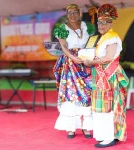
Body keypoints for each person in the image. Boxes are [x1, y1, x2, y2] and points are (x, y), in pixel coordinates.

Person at [83, 3, 129, 148]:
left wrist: (91, 61)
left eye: (104, 22)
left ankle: (109, 137)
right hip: (100, 75)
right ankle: (105, 135)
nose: (101, 25)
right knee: (101, 106)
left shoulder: (112, 37)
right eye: (99, 22)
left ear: (110, 23)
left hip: (108, 76)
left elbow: (109, 57)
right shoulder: (103, 37)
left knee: (107, 106)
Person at [53, 4, 95, 139]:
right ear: (66, 13)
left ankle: (86, 126)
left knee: (87, 94)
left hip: (86, 61)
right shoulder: (61, 29)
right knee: (71, 95)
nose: (72, 15)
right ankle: (71, 128)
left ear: (79, 12)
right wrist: (72, 57)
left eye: (74, 12)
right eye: (69, 12)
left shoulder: (88, 26)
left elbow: (92, 42)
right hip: (70, 63)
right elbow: (63, 46)